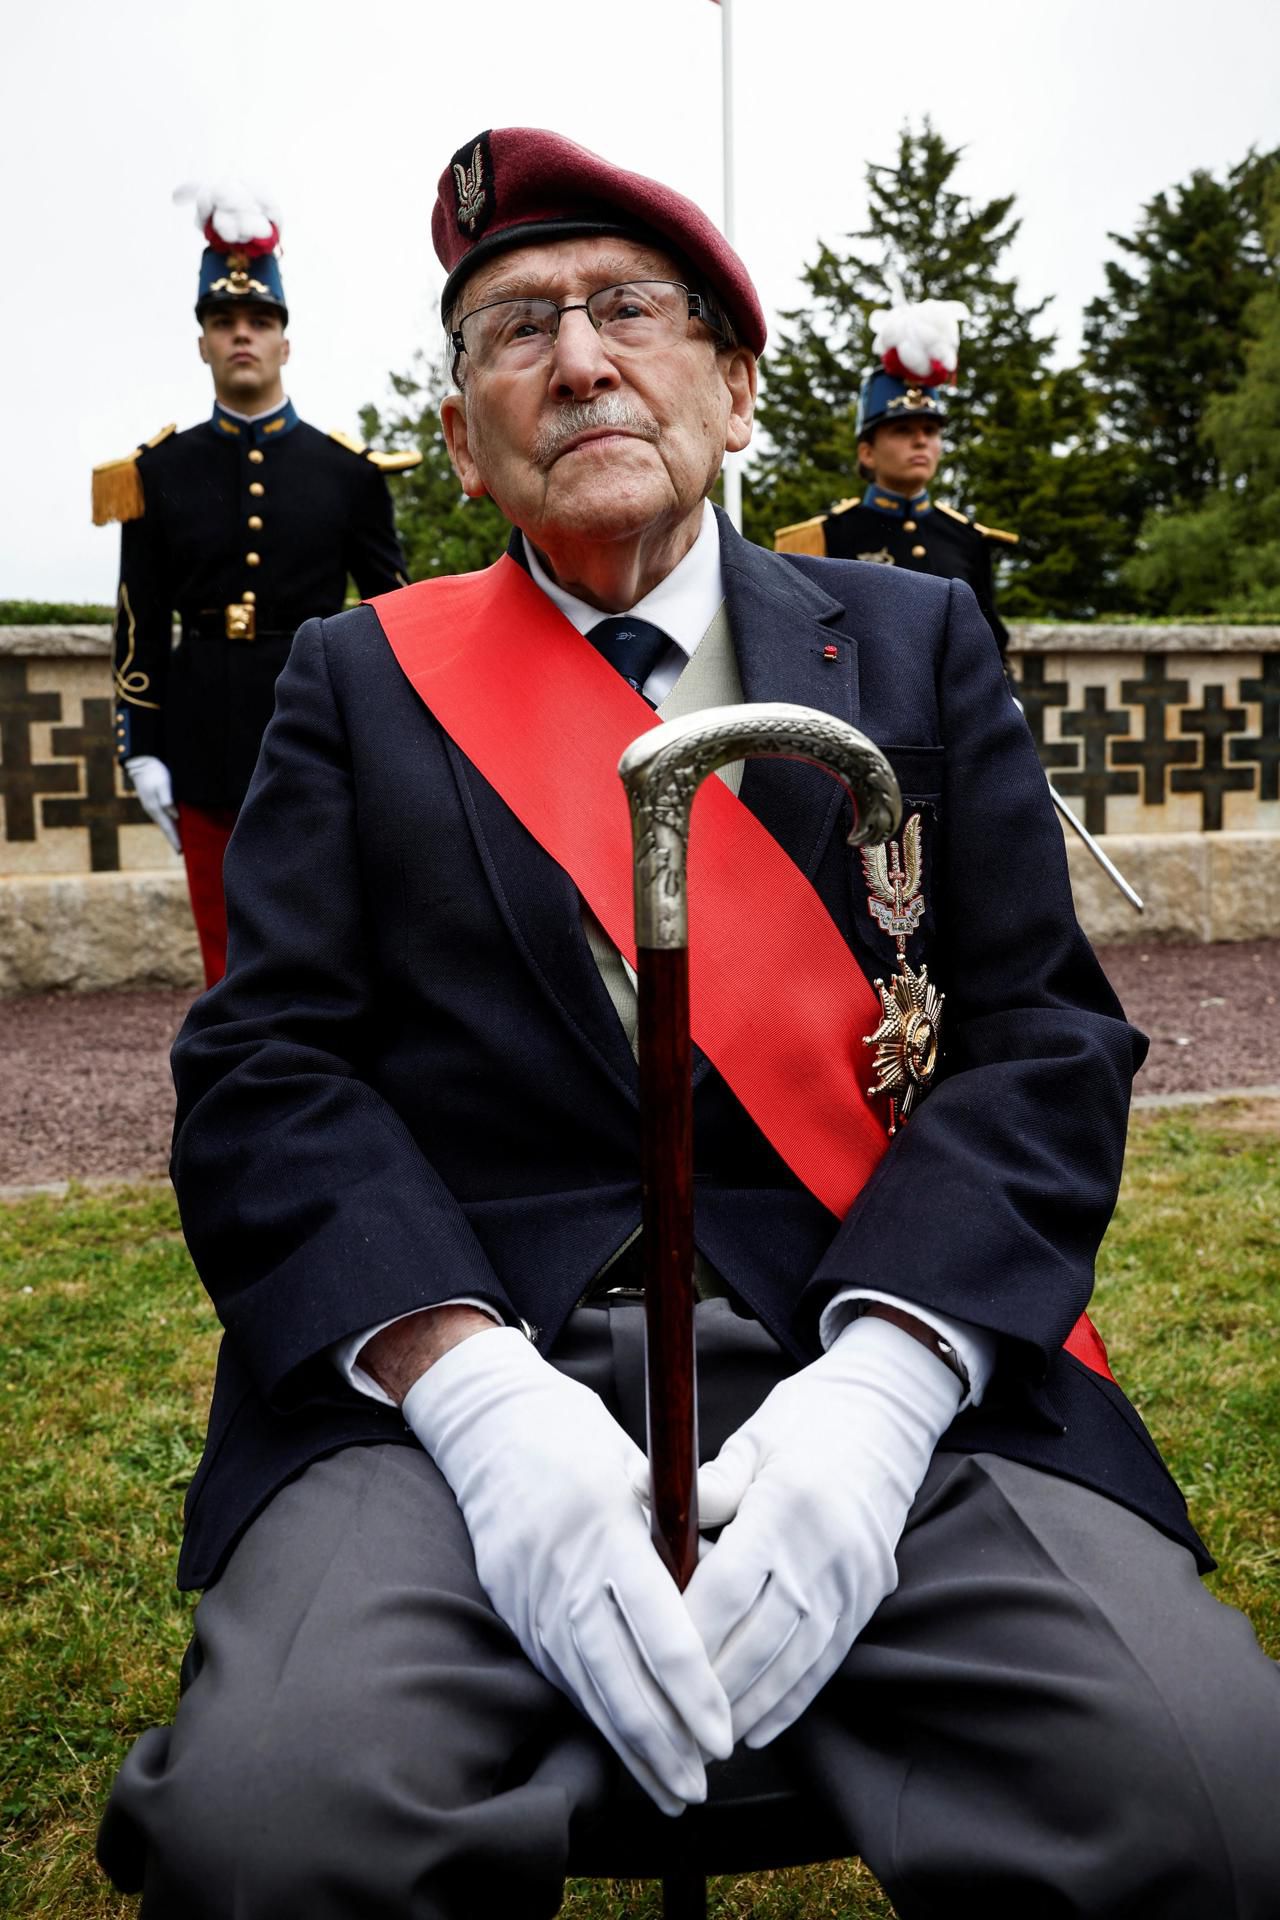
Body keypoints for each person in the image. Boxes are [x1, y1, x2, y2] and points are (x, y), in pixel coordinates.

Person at [98, 129, 1279, 1919]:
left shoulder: (918, 638)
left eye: (628, 311)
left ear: (732, 383)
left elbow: (1041, 1034)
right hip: (464, 1375)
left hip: (873, 1343)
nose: (577, 359)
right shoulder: (360, 677)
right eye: (516, 331)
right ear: (465, 426)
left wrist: (889, 1387)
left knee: (1217, 1795)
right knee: (273, 1832)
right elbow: (267, 1073)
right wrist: (471, 1390)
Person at [92, 182, 419, 986]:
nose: (243, 334)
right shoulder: (153, 473)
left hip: (320, 731)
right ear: (202, 340)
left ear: (285, 342)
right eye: (223, 321)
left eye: (260, 321)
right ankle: (233, 1103)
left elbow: (392, 613)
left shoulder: (348, 474)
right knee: (227, 957)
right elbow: (139, 620)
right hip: (200, 740)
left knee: (333, 940)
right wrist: (140, 748)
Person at [775, 296, 1015, 651]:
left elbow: (990, 646)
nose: (921, 441)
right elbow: (797, 641)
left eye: (931, 431)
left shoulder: (967, 539)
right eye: (903, 431)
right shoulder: (823, 537)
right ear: (867, 452)